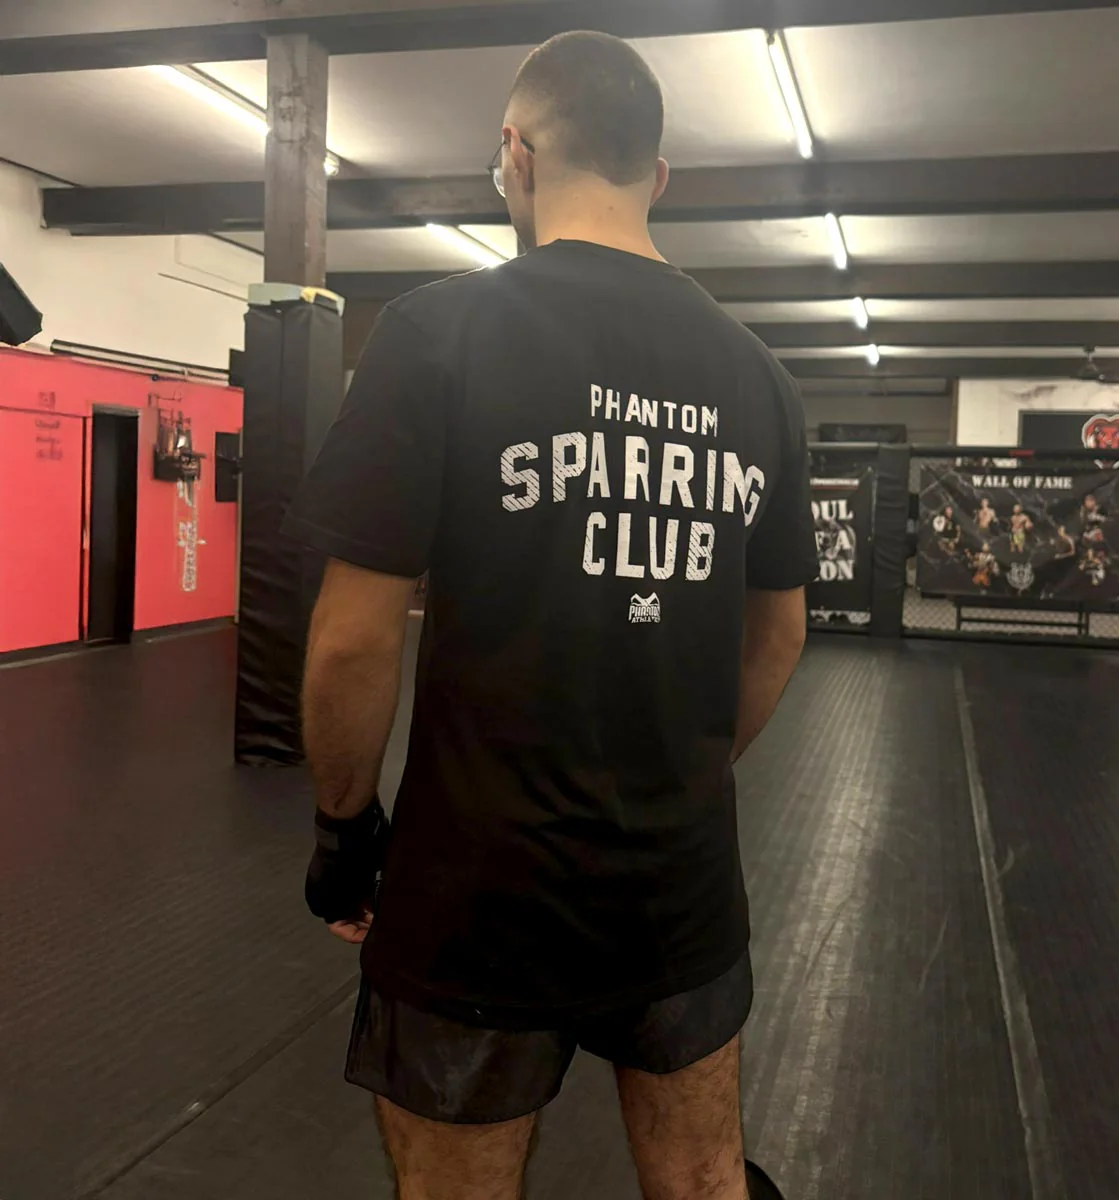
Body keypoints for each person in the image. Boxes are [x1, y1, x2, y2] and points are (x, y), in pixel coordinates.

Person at [286, 31, 815, 1200]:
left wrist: (343, 832)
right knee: (703, 1182)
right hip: (678, 890)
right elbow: (778, 634)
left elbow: (354, 636)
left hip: (478, 895)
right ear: (657, 175)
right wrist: (687, 769)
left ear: (514, 156)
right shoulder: (761, 379)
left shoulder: (437, 334)